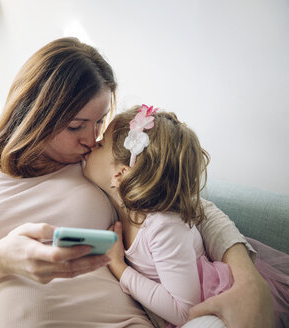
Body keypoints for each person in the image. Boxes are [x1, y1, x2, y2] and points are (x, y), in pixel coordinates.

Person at [0, 37, 274, 328]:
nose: (91, 138)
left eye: (99, 122)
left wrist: (248, 282)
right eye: (75, 126)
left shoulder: (95, 163)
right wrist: (1, 259)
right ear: (35, 112)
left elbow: (187, 208)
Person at [84, 105, 288, 328]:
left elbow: (184, 311)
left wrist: (120, 269)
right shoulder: (123, 207)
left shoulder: (163, 227)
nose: (92, 144)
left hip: (214, 310)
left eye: (101, 144)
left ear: (120, 174)